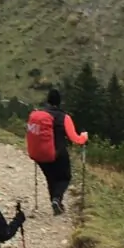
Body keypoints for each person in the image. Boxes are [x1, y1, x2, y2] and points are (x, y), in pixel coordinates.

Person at [28, 87, 87, 215]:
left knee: (51, 178)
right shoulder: (64, 117)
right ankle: (57, 199)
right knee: (65, 177)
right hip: (58, 153)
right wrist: (84, 137)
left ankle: (55, 202)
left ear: (48, 101)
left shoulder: (41, 114)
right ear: (59, 102)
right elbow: (75, 138)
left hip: (41, 154)